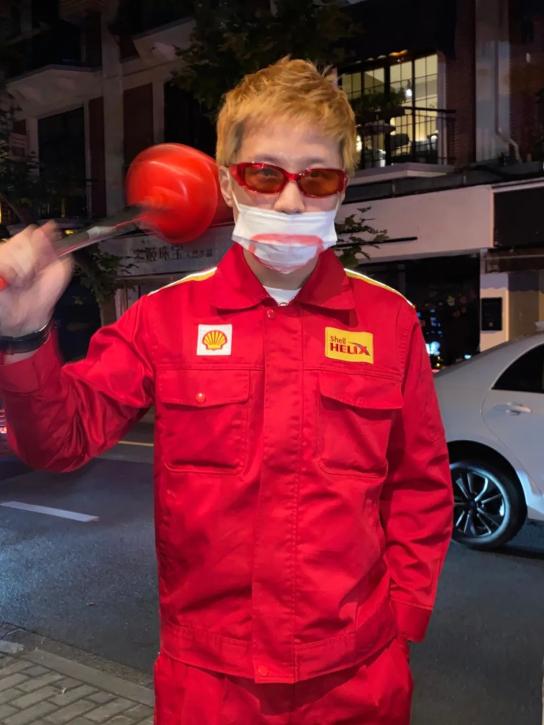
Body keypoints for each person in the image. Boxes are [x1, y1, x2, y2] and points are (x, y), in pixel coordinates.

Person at [0, 59, 453, 724]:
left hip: (356, 680)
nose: (291, 202)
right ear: (225, 181)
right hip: (211, 688)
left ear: (342, 187)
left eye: (317, 178)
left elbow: (420, 486)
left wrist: (402, 621)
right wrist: (24, 334)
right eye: (265, 174)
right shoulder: (164, 319)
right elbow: (58, 442)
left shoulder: (390, 322)